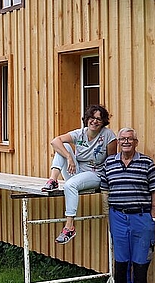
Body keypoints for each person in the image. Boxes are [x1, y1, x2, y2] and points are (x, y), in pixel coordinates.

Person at [100, 127, 155, 283]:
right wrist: (107, 214)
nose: (126, 142)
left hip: (141, 216)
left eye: (129, 139)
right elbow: (105, 190)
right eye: (122, 139)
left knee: (141, 259)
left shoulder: (146, 163)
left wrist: (153, 215)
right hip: (117, 215)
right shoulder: (109, 163)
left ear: (136, 142)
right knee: (121, 259)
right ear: (118, 142)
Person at [41, 104, 117, 245]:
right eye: (92, 118)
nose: (95, 121)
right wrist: (69, 157)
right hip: (76, 171)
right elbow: (54, 141)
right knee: (64, 147)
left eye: (99, 119)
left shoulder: (108, 136)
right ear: (87, 119)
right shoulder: (80, 133)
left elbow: (112, 160)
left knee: (70, 185)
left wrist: (110, 184)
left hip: (95, 174)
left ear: (103, 122)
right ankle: (53, 180)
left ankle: (69, 227)